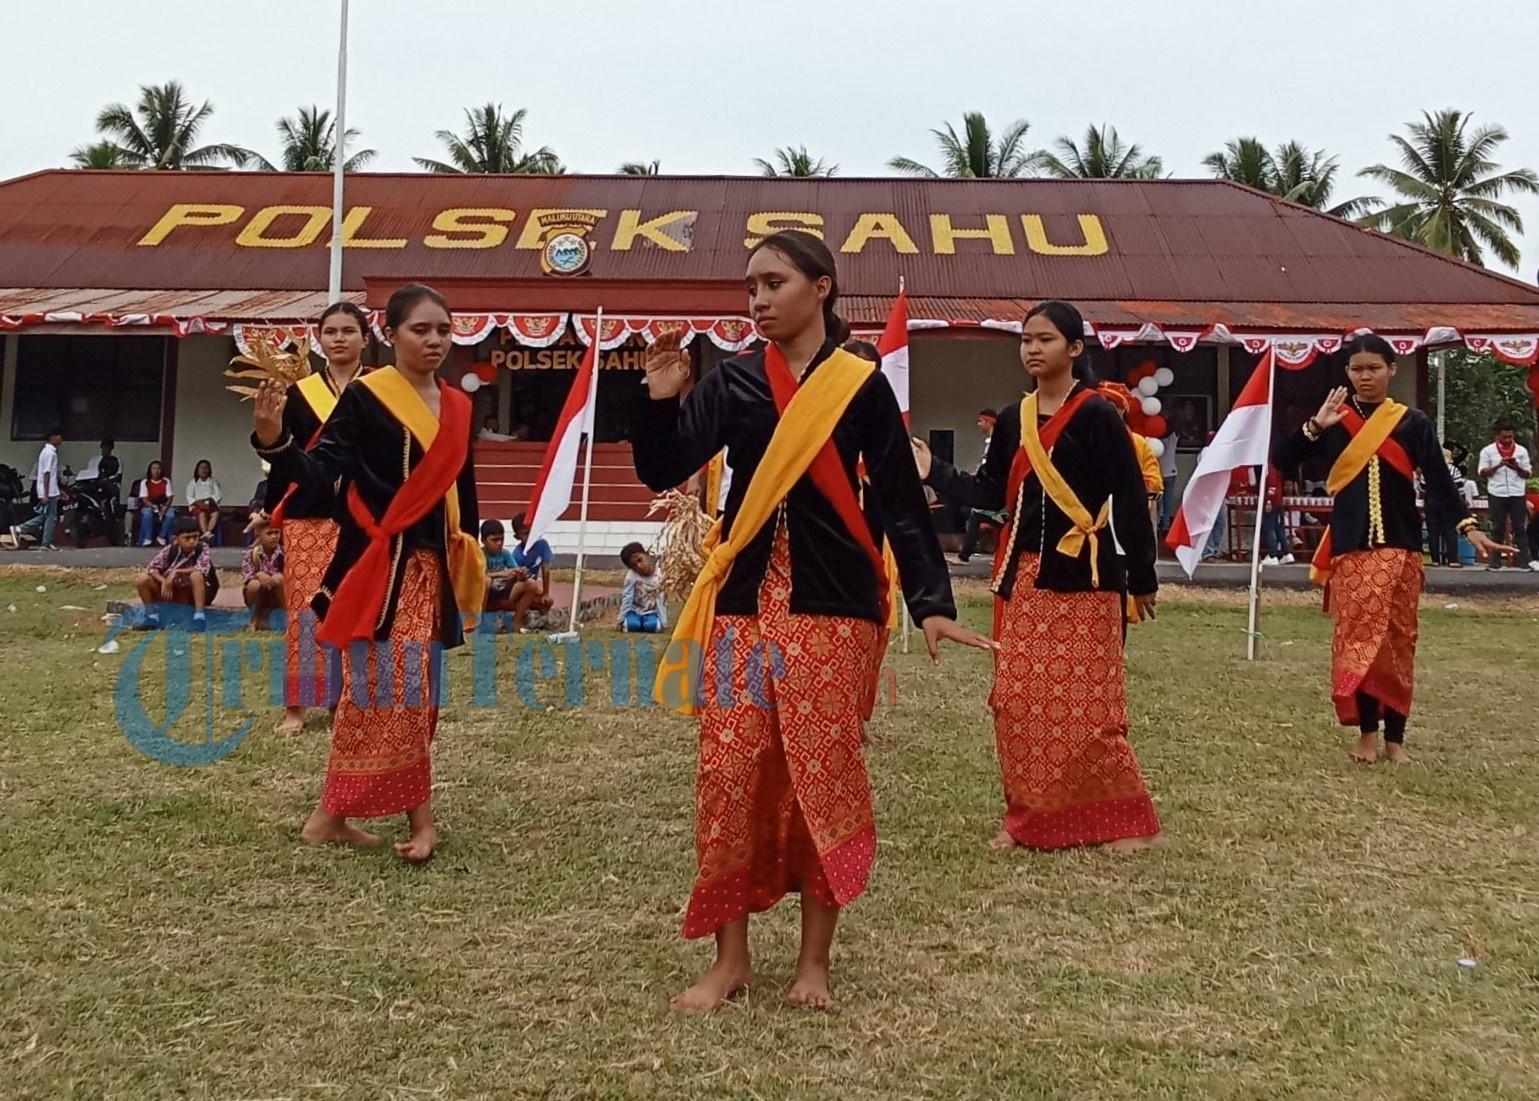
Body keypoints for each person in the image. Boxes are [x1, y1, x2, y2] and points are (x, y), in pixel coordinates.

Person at [634, 230, 991, 1014]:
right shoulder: (732, 383)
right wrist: (660, 398)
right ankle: (729, 960)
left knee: (820, 775)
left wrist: (929, 604)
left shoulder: (860, 386)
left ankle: (813, 964)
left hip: (835, 609)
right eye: (749, 286)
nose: (756, 300)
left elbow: (899, 501)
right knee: (726, 775)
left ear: (821, 287)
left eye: (772, 282)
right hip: (743, 605)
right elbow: (663, 468)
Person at [916, 299, 1164, 855]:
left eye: (1045, 339)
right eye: (1026, 339)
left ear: (1075, 349)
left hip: (1088, 576)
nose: (1032, 348)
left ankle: (1126, 823)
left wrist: (1143, 577)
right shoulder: (1012, 418)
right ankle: (1027, 818)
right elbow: (989, 494)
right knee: (1017, 702)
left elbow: (1128, 497)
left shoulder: (1099, 414)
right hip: (1024, 578)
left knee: (1089, 706)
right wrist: (934, 471)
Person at [253, 283, 484, 863]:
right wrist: (273, 441)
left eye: (443, 330)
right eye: (420, 330)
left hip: (430, 568)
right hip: (379, 566)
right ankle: (413, 821)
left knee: (409, 693)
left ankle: (330, 815)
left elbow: (463, 492)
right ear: (391, 333)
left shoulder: (458, 405)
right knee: (388, 690)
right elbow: (317, 470)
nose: (434, 341)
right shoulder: (368, 397)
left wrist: (474, 555)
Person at [1275, 334, 1510, 765]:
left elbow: (1440, 482)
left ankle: (1395, 740)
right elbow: (1282, 461)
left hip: (1401, 548)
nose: (1365, 377)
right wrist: (1315, 425)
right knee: (1359, 641)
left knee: (1398, 643)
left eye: (1374, 368)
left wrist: (1469, 527)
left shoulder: (1412, 422)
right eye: (1357, 369)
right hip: (1351, 549)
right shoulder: (1333, 421)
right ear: (1347, 373)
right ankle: (1366, 734)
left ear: (1392, 370)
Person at [261, 302, 370, 733]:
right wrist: (270, 511)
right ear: (319, 338)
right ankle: (297, 707)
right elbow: (283, 457)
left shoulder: (383, 389)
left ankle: (353, 699)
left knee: (361, 606)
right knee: (306, 611)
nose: (339, 338)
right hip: (310, 514)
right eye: (331, 331)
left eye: (348, 330)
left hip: (367, 514)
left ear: (366, 336)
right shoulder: (301, 394)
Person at [136, 517, 218, 628]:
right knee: (143, 579)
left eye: (195, 537)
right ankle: (152, 617)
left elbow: (202, 568)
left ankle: (199, 617)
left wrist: (178, 572)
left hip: (195, 594)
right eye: (187, 538)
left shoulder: (202, 548)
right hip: (173, 593)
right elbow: (152, 568)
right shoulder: (170, 550)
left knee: (196, 574)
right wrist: (164, 581)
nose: (192, 541)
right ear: (176, 539)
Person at [1477, 420, 1534, 570]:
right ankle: (1495, 562)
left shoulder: (1521, 451)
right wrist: (1499, 465)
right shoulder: (1488, 451)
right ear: (1497, 437)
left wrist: (1516, 467)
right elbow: (1482, 472)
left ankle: (1523, 561)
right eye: (1505, 437)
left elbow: (1527, 473)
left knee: (1520, 528)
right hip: (1497, 492)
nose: (1508, 440)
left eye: (1510, 437)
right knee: (1497, 528)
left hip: (1517, 492)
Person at [956, 410, 1003, 563]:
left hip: (997, 490)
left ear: (989, 422)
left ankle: (965, 556)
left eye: (981, 421)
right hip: (994, 489)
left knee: (976, 515)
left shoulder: (997, 443)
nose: (978, 425)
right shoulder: (991, 443)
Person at [10, 427, 63, 551]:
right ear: (53, 437)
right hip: (48, 490)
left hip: (51, 489)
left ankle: (43, 540)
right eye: (59, 436)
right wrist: (45, 493)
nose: (61, 439)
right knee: (51, 517)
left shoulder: (47, 452)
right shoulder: (50, 453)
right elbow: (46, 473)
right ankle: (40, 539)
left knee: (46, 516)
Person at [506, 511, 554, 632]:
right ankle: (516, 620)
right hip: (517, 589)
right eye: (526, 534)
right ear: (517, 537)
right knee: (532, 585)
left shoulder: (542, 545)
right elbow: (514, 580)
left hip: (532, 589)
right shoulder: (517, 555)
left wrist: (545, 593)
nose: (530, 537)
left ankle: (532, 618)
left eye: (532, 532)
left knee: (547, 602)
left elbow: (546, 568)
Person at [242, 520, 285, 630]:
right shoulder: (252, 553)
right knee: (253, 585)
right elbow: (246, 575)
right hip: (259, 596)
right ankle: (254, 619)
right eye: (269, 534)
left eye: (277, 533)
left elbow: (290, 575)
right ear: (258, 536)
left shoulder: (284, 552)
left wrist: (274, 577)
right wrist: (259, 575)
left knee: (279, 578)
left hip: (278, 595)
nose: (274, 537)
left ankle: (286, 617)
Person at [618, 542, 666, 632]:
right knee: (632, 625)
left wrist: (663, 622)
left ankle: (649, 623)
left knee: (652, 626)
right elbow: (627, 597)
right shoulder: (631, 576)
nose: (639, 566)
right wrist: (621, 619)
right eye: (634, 566)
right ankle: (633, 622)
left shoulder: (659, 575)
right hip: (635, 611)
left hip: (651, 611)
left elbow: (661, 599)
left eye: (639, 560)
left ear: (646, 554)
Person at [480, 518, 521, 625]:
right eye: (494, 540)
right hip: (485, 591)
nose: (499, 543)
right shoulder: (479, 554)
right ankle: (481, 617)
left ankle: (517, 620)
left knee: (530, 585)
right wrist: (500, 574)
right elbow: (479, 576)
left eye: (501, 539)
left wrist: (518, 574)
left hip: (502, 587)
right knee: (487, 581)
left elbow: (515, 569)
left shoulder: (505, 553)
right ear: (483, 540)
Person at [134, 460, 175, 546]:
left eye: (158, 468)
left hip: (163, 506)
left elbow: (170, 497)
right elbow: (144, 499)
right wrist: (154, 507)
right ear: (150, 470)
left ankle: (161, 537)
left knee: (171, 514)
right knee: (147, 513)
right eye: (154, 468)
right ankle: (147, 538)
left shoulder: (166, 481)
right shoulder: (145, 482)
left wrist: (164, 509)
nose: (156, 471)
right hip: (149, 506)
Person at [185, 459, 223, 544]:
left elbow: (218, 495)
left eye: (206, 468)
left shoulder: (213, 482)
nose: (204, 470)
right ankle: (207, 534)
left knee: (215, 513)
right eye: (201, 468)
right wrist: (199, 503)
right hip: (197, 506)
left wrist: (208, 502)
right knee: (202, 514)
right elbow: (189, 496)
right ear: (197, 470)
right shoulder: (193, 482)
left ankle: (207, 533)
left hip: (210, 505)